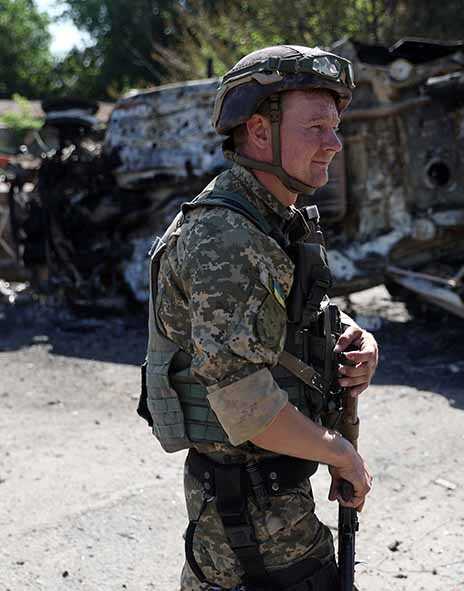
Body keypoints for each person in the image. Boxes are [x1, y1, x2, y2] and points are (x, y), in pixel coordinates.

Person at [140, 44, 378, 591]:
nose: (334, 143)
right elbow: (245, 403)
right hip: (249, 531)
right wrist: (341, 454)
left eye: (335, 126)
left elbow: (290, 327)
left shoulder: (275, 219)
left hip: (271, 510)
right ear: (259, 131)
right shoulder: (227, 235)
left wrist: (355, 340)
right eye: (317, 126)